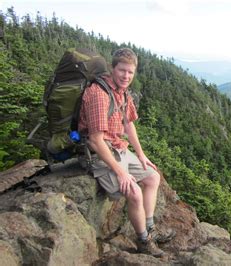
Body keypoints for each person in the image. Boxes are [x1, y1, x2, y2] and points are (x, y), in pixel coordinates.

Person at [78, 48, 175, 257]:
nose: (126, 76)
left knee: (152, 177)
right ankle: (143, 241)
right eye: (122, 71)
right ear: (113, 68)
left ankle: (150, 229)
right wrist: (121, 172)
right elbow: (95, 140)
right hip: (99, 153)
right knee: (134, 191)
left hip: (118, 147)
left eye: (130, 72)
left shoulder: (122, 92)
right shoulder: (99, 94)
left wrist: (141, 155)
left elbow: (129, 124)